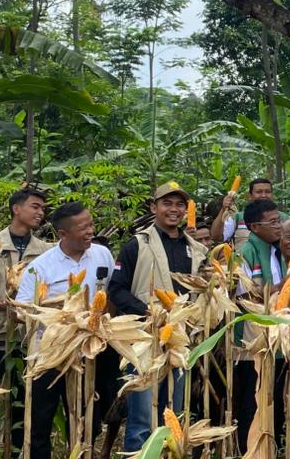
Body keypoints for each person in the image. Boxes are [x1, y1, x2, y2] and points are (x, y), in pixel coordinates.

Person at [109, 181, 208, 452]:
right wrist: (148, 312)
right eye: (167, 203)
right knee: (142, 416)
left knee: (173, 415)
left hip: (180, 340)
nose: (174, 210)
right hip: (145, 340)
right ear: (154, 208)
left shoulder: (197, 250)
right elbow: (116, 289)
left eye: (179, 204)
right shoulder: (136, 245)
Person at [14, 202, 117, 459]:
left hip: (90, 351)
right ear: (63, 234)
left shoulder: (103, 255)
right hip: (49, 354)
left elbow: (111, 295)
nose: (90, 231)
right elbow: (22, 310)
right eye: (84, 227)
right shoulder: (40, 267)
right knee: (41, 418)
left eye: (91, 224)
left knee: (87, 416)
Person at [0, 185, 53, 459]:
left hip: (26, 340)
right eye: (34, 207)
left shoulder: (46, 250)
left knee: (21, 405)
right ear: (17, 209)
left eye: (42, 208)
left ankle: (17, 452)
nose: (41, 212)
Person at [235, 199, 284, 454]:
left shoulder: (275, 251)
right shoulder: (247, 252)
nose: (279, 226)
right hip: (252, 344)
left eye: (279, 220)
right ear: (254, 226)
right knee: (251, 407)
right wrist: (283, 287)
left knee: (272, 404)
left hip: (275, 341)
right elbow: (245, 297)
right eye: (273, 222)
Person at [213, 177, 277, 245]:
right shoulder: (237, 217)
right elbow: (216, 237)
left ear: (272, 195)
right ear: (250, 196)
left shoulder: (283, 218)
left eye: (267, 192)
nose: (264, 195)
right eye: (259, 192)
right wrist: (223, 209)